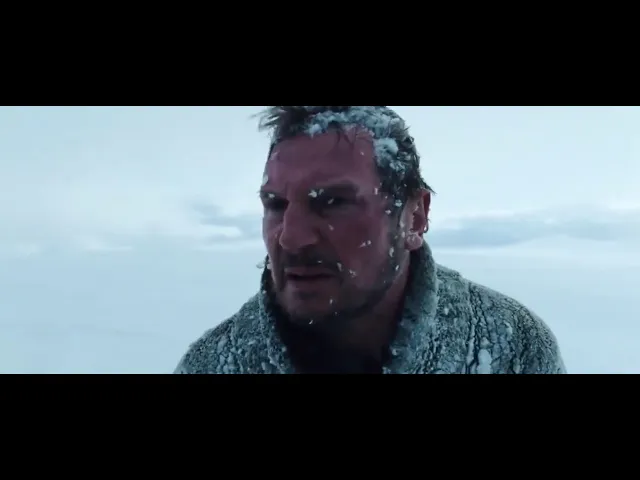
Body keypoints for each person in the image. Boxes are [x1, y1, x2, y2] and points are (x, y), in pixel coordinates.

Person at [174, 106, 566, 374]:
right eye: (275, 204)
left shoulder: (511, 347)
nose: (291, 239)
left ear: (415, 216)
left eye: (332, 202)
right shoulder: (211, 364)